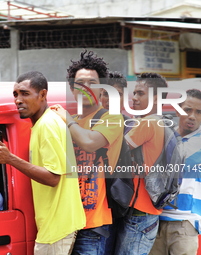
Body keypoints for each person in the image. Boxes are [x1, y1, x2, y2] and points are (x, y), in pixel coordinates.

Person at [0, 71, 86, 255]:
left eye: (25, 94)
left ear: (42, 95)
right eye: (15, 95)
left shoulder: (47, 125)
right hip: (55, 225)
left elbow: (53, 178)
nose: (18, 100)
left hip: (56, 228)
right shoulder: (42, 124)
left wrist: (10, 159)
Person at [51, 50, 124, 255]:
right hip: (68, 221)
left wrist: (67, 119)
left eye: (93, 82)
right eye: (80, 82)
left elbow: (90, 143)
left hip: (94, 225)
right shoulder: (69, 120)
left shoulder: (112, 118)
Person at [149, 89, 201, 255]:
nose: (192, 116)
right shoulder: (167, 137)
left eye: (198, 112)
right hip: (157, 221)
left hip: (185, 223)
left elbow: (178, 157)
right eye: (187, 110)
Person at [114, 72, 168, 255]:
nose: (134, 98)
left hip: (139, 214)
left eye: (140, 93)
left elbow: (115, 151)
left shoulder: (148, 124)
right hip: (148, 212)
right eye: (134, 93)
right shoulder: (161, 122)